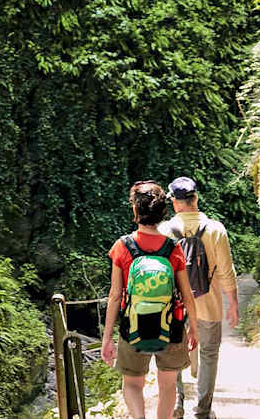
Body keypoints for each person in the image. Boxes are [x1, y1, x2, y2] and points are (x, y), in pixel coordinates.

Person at [102, 181, 201, 419]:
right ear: (162, 212)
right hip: (172, 326)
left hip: (132, 326)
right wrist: (193, 329)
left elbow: (115, 296)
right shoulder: (172, 248)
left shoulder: (122, 247)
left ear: (136, 210)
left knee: (133, 384)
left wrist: (107, 338)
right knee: (167, 386)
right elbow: (187, 294)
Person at [160, 176, 238, 419]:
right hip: (208, 305)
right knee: (209, 354)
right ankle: (201, 412)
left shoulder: (163, 231)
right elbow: (226, 270)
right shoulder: (216, 229)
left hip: (173, 306)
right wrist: (233, 302)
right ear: (195, 198)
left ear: (175, 202)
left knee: (173, 353)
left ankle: (176, 404)